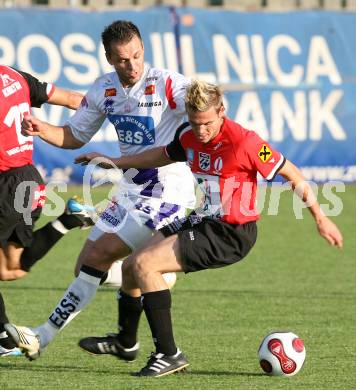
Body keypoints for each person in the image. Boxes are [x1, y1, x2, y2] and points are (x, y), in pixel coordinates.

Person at [72, 80, 343, 376]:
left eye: (207, 123)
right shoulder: (189, 136)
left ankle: (168, 353)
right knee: (129, 270)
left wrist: (320, 217)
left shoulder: (245, 143)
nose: (201, 131)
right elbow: (161, 154)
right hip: (202, 220)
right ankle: (126, 341)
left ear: (222, 111)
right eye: (195, 122)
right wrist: (116, 162)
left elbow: (291, 172)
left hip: (230, 233)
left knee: (144, 265)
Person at [3, 20, 195, 360]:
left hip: (168, 192)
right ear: (109, 58)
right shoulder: (104, 90)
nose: (132, 65)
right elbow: (73, 136)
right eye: (123, 59)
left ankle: (43, 336)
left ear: (143, 50)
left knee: (100, 254)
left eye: (137, 56)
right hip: (131, 190)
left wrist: (201, 105)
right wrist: (41, 128)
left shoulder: (165, 82)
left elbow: (194, 104)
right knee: (88, 267)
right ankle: (130, 330)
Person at [0, 65, 95, 357]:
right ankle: (68, 220)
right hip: (29, 181)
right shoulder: (14, 75)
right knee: (10, 268)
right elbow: (71, 99)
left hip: (5, 185)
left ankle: (3, 337)